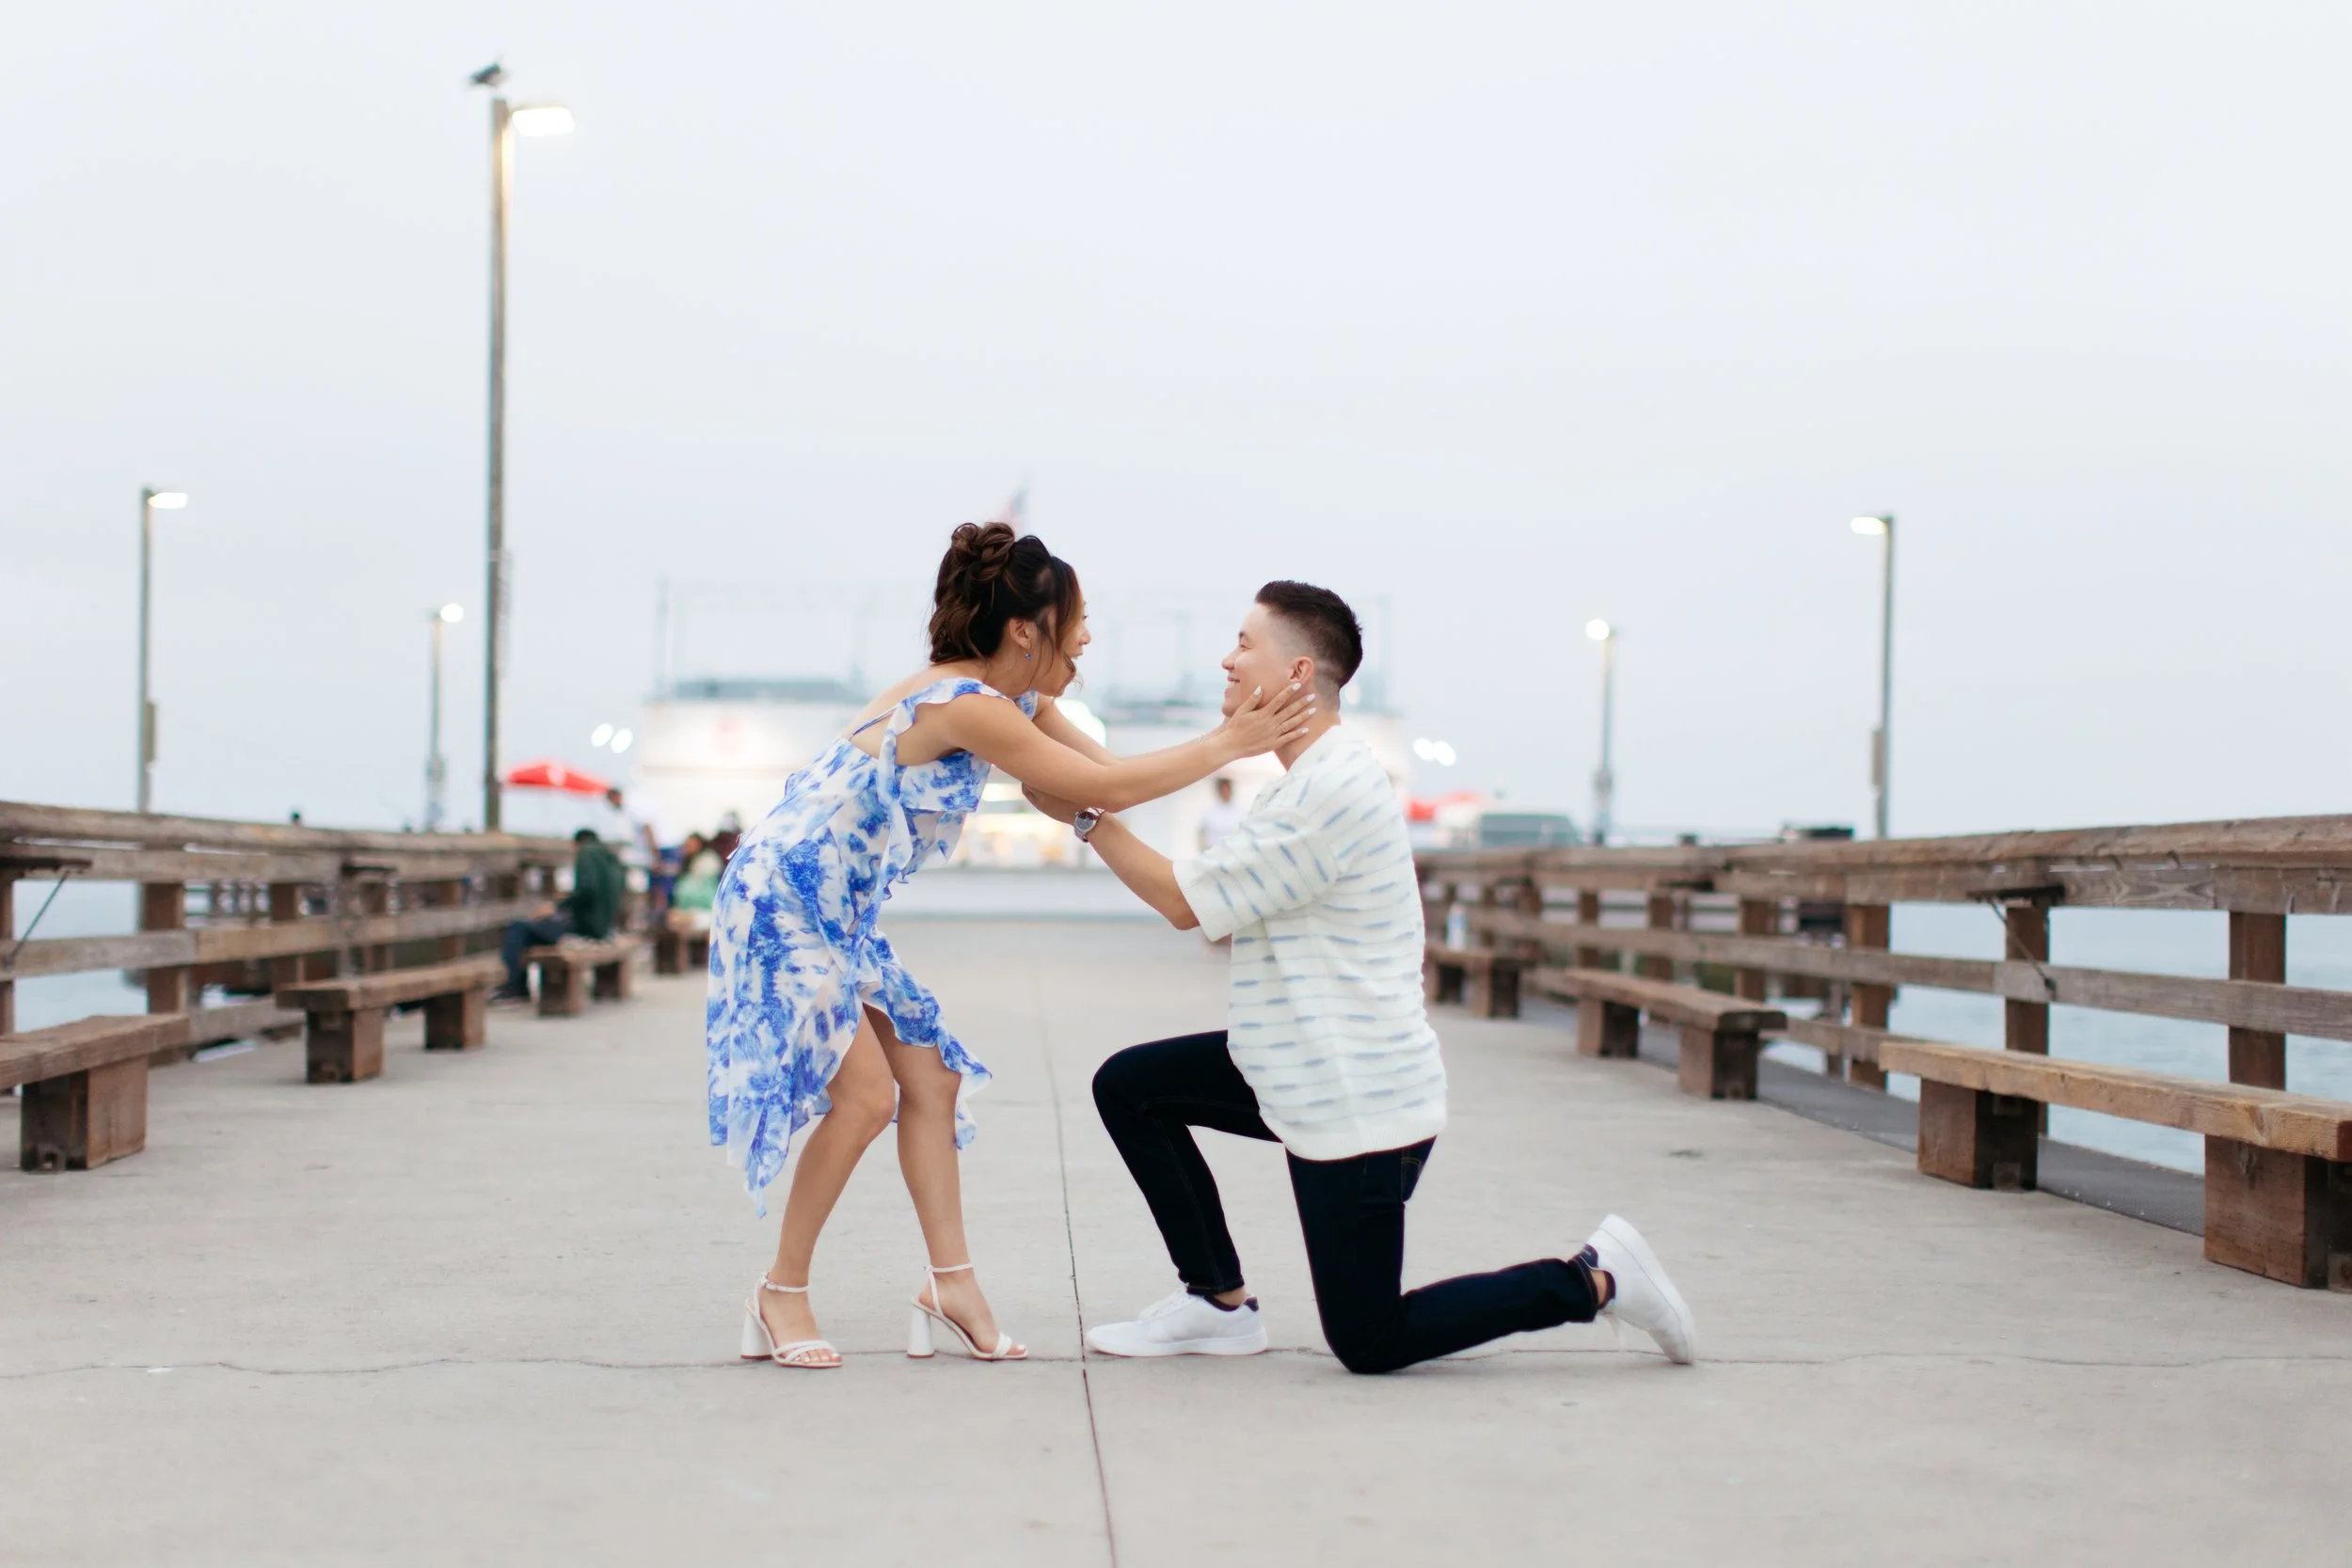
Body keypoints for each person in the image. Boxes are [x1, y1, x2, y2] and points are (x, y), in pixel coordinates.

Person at [1025, 581, 1697, 1374]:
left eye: (1245, 643)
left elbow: (1182, 900)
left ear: (1298, 673)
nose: (1226, 659)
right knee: (1130, 1086)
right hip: (1294, 1057)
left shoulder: (1329, 792)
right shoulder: (1312, 775)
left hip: (1360, 1097)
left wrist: (1085, 819)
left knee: (1369, 1339)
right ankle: (1217, 1302)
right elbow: (1116, 769)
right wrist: (1029, 706)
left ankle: (1595, 1278)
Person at [710, 522, 1313, 1371]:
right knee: (867, 1096)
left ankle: (951, 1285)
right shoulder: (963, 705)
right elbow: (1102, 788)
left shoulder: (1013, 702)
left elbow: (1109, 774)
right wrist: (1223, 746)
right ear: (1026, 629)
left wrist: (1226, 750)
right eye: (1076, 619)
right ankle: (780, 1291)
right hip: (781, 896)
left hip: (833, 908)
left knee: (932, 1076)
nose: (1088, 637)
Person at [496, 829, 626, 1003]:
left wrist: (556, 907)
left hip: (585, 928)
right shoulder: (610, 857)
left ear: (575, 844)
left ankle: (514, 987)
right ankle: (518, 985)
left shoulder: (586, 852)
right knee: (534, 929)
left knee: (518, 928)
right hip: (603, 928)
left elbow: (587, 889)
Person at [1196, 775, 1246, 851]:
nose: (1225, 792)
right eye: (1223, 789)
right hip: (1213, 854)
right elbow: (1201, 836)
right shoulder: (1209, 813)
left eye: (1227, 789)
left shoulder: (1241, 813)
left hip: (1233, 854)